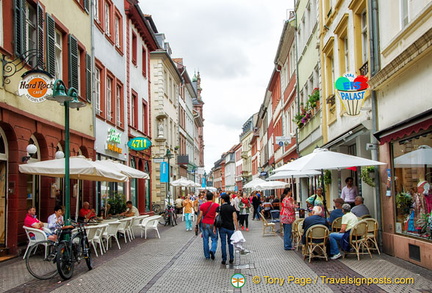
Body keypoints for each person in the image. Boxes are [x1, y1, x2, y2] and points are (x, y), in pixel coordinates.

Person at [196, 191, 219, 260]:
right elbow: (217, 215)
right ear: (212, 197)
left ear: (206, 198)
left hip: (204, 224)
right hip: (213, 224)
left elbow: (200, 216)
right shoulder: (216, 205)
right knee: (214, 239)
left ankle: (207, 255)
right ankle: (213, 250)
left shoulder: (203, 205)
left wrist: (197, 224)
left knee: (205, 240)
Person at [217, 193, 239, 265]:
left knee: (223, 243)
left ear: (223, 200)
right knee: (230, 243)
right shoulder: (231, 208)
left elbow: (216, 218)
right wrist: (237, 227)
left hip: (222, 227)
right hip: (230, 227)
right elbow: (234, 218)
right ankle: (231, 258)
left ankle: (224, 258)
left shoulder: (220, 208)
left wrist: (215, 227)